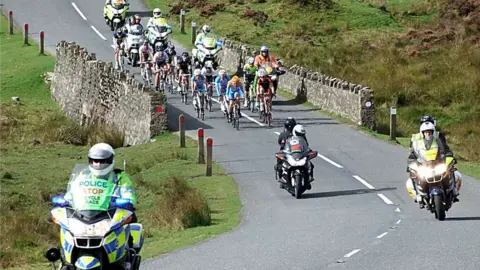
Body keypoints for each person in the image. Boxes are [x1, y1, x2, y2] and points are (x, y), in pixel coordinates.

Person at [65, 143, 137, 218]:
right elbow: (71, 194)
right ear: (91, 161)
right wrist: (67, 201)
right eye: (96, 161)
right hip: (84, 215)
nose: (98, 164)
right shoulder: (83, 176)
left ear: (110, 160)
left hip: (112, 216)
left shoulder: (119, 176)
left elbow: (129, 194)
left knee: (132, 222)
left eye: (102, 161)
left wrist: (128, 202)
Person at [406, 121, 461, 208]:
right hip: (425, 166)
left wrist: (449, 157)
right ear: (422, 133)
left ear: (433, 132)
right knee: (411, 180)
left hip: (437, 165)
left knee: (455, 173)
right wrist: (411, 164)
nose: (428, 134)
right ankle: (419, 196)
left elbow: (446, 151)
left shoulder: (438, 141)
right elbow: (412, 155)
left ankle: (453, 190)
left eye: (430, 132)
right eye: (426, 132)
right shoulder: (418, 143)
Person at [279, 125, 314, 189]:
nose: (300, 135)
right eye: (299, 134)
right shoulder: (289, 138)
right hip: (291, 155)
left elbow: (306, 146)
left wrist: (309, 151)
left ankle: (308, 180)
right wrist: (284, 151)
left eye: (301, 134)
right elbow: (285, 146)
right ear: (295, 132)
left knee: (311, 165)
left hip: (300, 155)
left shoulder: (303, 139)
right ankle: (282, 179)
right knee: (281, 164)